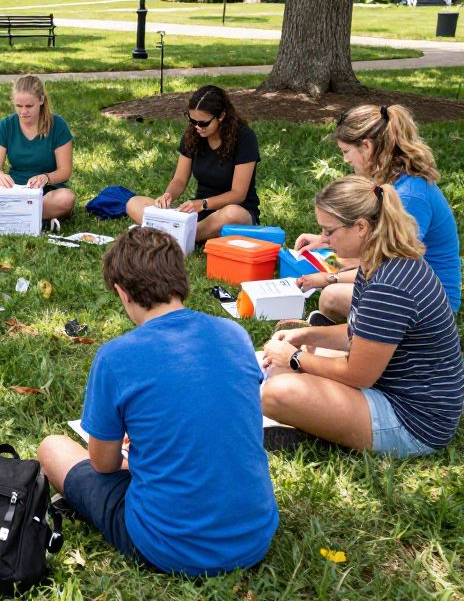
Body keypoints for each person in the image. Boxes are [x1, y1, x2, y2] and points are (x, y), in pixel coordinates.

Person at [37, 228, 278, 576]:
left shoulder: (115, 357)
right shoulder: (235, 335)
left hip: (168, 544)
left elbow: (103, 465)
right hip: (254, 535)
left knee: (53, 447)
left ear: (122, 292)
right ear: (181, 278)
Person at [261, 176, 463, 457]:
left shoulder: (389, 285)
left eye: (329, 231)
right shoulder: (383, 262)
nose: (325, 240)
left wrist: (295, 357)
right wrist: (305, 335)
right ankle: (320, 423)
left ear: (361, 227)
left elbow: (358, 374)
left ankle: (321, 431)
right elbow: (361, 333)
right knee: (277, 369)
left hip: (414, 422)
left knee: (277, 391)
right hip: (394, 389)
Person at [294, 104, 460, 323]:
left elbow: (391, 268)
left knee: (331, 297)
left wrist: (329, 278)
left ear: (366, 146)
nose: (346, 160)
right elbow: (374, 246)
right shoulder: (394, 181)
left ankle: (350, 341)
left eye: (346, 152)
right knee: (340, 264)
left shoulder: (410, 196)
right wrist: (326, 240)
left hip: (432, 302)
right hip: (407, 286)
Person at [125, 85, 260, 242]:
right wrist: (168, 195)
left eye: (203, 123)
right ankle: (180, 233)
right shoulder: (193, 135)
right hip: (198, 212)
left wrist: (202, 204)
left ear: (221, 116)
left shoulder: (244, 137)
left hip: (235, 211)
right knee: (133, 203)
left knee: (232, 214)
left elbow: (238, 194)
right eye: (192, 120)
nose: (197, 127)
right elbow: (179, 180)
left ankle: (177, 236)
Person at [0, 75, 75, 232]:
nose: (23, 112)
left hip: (45, 193)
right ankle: (39, 221)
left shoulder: (58, 125)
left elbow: (65, 171)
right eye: (19, 106)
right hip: (13, 191)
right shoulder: (6, 125)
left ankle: (2, 218)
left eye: (29, 106)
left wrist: (46, 178)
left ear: (41, 100)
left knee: (66, 198)